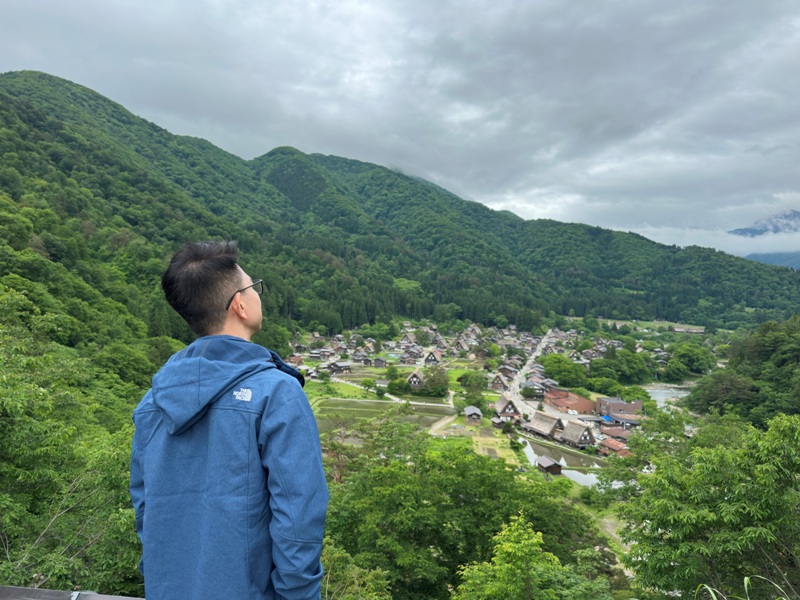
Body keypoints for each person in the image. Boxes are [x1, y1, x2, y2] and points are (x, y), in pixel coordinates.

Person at [130, 241, 328, 600]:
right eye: (255, 287)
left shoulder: (153, 401)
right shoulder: (276, 392)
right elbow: (298, 517)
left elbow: (146, 508)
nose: (258, 296)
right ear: (239, 303)